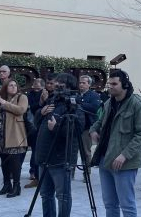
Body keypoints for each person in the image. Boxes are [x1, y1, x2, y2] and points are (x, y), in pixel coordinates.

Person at [90, 69, 141, 217]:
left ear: (125, 85)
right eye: (109, 84)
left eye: (114, 84)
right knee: (110, 204)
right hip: (105, 159)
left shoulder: (137, 104)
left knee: (127, 205)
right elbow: (99, 121)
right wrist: (93, 130)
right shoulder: (109, 102)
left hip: (124, 163)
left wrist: (124, 155)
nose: (110, 87)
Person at [36, 73, 85, 217]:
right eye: (55, 84)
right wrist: (41, 112)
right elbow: (36, 124)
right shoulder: (52, 101)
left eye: (60, 85)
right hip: (44, 157)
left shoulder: (74, 105)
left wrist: (56, 128)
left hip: (61, 160)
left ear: (69, 87)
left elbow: (77, 129)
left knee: (62, 196)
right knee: (45, 195)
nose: (56, 87)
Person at [0, 79, 28, 198]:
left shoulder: (22, 97)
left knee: (15, 162)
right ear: (5, 87)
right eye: (10, 85)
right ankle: (7, 184)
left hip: (15, 135)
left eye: (15, 85)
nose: (13, 87)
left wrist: (5, 103)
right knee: (4, 160)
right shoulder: (1, 99)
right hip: (1, 135)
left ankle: (17, 186)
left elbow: (21, 110)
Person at [78, 75, 101, 179]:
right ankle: (71, 173)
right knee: (73, 151)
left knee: (86, 152)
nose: (81, 84)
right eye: (80, 82)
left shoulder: (94, 95)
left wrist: (80, 104)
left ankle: (86, 173)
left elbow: (94, 108)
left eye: (84, 83)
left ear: (89, 84)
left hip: (87, 127)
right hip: (75, 127)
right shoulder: (77, 95)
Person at [25, 78, 44, 188]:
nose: (35, 86)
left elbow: (38, 107)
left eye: (37, 85)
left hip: (39, 126)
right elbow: (32, 107)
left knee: (35, 150)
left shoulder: (44, 94)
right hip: (29, 125)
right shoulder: (29, 95)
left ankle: (34, 172)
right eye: (34, 84)